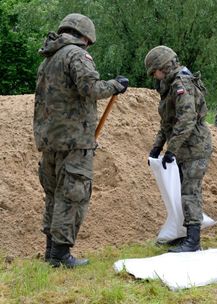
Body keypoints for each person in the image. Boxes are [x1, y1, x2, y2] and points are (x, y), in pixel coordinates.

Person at [34, 13, 128, 268]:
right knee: (73, 196)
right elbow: (90, 88)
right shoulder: (76, 55)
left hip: (50, 141)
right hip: (75, 141)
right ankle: (60, 256)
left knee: (54, 196)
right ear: (86, 37)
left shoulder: (49, 58)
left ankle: (50, 252)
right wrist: (115, 85)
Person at [145, 45, 212, 252]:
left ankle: (193, 241)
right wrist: (157, 147)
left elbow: (187, 119)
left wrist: (171, 149)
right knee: (183, 191)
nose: (154, 76)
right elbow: (167, 123)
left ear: (163, 66)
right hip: (185, 146)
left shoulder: (181, 83)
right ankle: (185, 235)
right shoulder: (170, 85)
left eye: (155, 71)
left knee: (190, 192)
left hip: (195, 146)